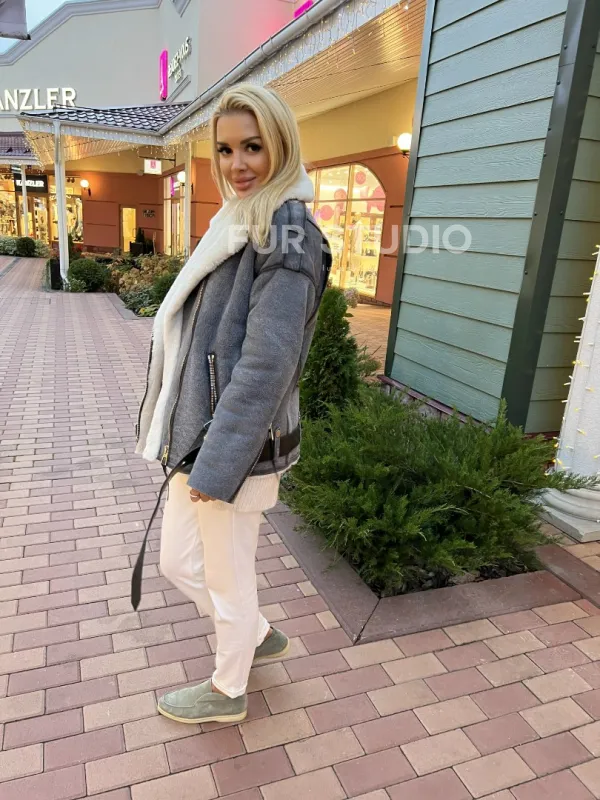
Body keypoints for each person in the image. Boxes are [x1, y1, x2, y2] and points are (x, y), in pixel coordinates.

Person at [132, 84, 330, 725]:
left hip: (234, 445)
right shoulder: (240, 218)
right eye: (225, 149)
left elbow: (268, 363)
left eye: (253, 146)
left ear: (281, 146)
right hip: (202, 433)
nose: (238, 163)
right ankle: (255, 632)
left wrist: (218, 465)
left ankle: (227, 690)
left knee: (225, 573)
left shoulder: (287, 232)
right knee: (176, 561)